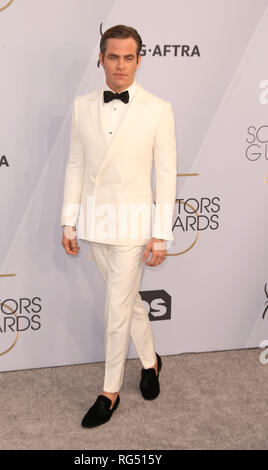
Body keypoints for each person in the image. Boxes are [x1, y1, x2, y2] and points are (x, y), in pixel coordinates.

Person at [61, 24, 177, 428]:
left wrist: (161, 233)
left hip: (133, 224)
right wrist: (69, 222)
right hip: (96, 223)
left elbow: (166, 175)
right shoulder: (81, 105)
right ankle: (151, 361)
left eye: (129, 57)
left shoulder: (158, 109)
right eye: (113, 56)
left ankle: (109, 392)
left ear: (139, 59)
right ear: (101, 58)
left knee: (115, 308)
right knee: (128, 301)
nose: (121, 65)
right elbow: (76, 165)